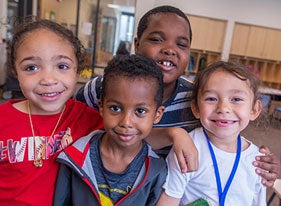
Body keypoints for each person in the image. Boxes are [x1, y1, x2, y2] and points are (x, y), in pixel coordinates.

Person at [75, 5, 280, 186]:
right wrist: (172, 133)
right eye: (156, 39)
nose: (170, 50)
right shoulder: (104, 86)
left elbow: (225, 133)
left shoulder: (194, 99)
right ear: (137, 44)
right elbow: (67, 124)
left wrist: (256, 159)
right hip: (97, 182)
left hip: (164, 190)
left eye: (181, 45)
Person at [0, 19, 104, 205]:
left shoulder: (88, 120)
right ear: (15, 71)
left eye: (62, 66)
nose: (48, 79)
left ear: (77, 71)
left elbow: (133, 133)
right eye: (31, 68)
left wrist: (173, 134)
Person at [54, 54, 167, 205]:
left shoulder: (157, 171)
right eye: (115, 108)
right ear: (101, 107)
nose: (126, 122)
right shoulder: (74, 157)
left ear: (157, 114)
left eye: (140, 111)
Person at [157, 61, 266, 206]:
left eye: (237, 99)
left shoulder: (258, 160)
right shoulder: (188, 147)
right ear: (196, 108)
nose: (223, 108)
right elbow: (168, 200)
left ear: (254, 109)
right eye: (211, 99)